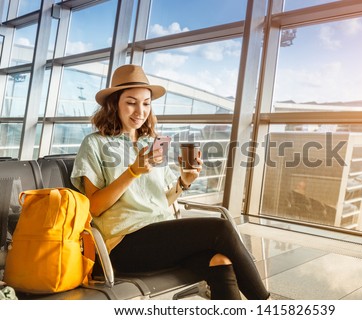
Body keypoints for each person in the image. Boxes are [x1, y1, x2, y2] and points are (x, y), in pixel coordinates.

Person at [71, 64, 270, 300]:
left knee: (221, 261)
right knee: (221, 228)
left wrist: (183, 183)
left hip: (160, 236)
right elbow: (94, 207)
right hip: (123, 244)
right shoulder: (94, 143)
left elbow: (161, 201)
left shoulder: (153, 142)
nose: (140, 110)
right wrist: (132, 172)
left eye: (146, 103)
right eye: (131, 102)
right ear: (114, 103)